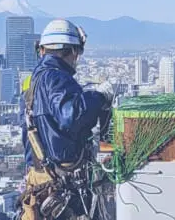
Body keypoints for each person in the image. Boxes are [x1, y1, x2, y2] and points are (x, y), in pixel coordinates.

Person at [17, 19, 114, 220]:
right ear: (71, 51)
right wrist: (99, 97)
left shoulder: (33, 82)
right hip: (61, 183)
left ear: (42, 50)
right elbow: (71, 115)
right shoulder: (56, 77)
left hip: (40, 181)